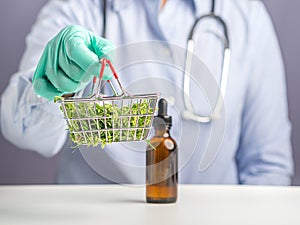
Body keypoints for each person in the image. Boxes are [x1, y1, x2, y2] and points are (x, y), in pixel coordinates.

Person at [0, 0, 294, 185]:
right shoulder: (76, 9)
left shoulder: (246, 14)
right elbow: (26, 133)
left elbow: (267, 165)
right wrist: (54, 86)